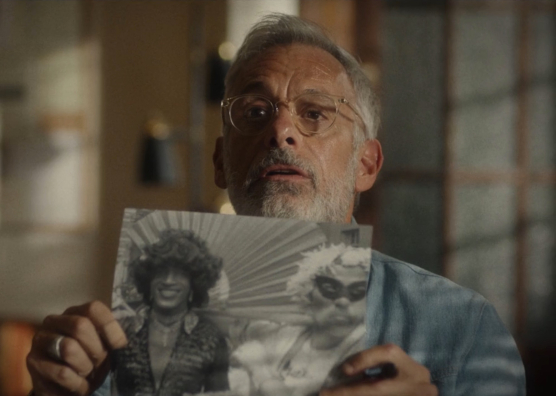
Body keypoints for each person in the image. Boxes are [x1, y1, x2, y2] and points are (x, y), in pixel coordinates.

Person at [26, 13, 525, 396]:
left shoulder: (461, 328)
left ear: (366, 166)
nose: (280, 131)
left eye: (314, 113)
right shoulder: (129, 330)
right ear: (220, 162)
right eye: (256, 111)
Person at [228, 244, 371, 396]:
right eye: (330, 288)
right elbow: (231, 324)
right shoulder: (286, 334)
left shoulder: (370, 351)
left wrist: (261, 372)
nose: (342, 301)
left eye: (358, 292)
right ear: (308, 293)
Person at [112, 229, 229, 396]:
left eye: (180, 274)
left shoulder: (212, 338)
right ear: (148, 280)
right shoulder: (122, 330)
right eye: (161, 272)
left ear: (194, 285)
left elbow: (219, 394)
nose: (168, 280)